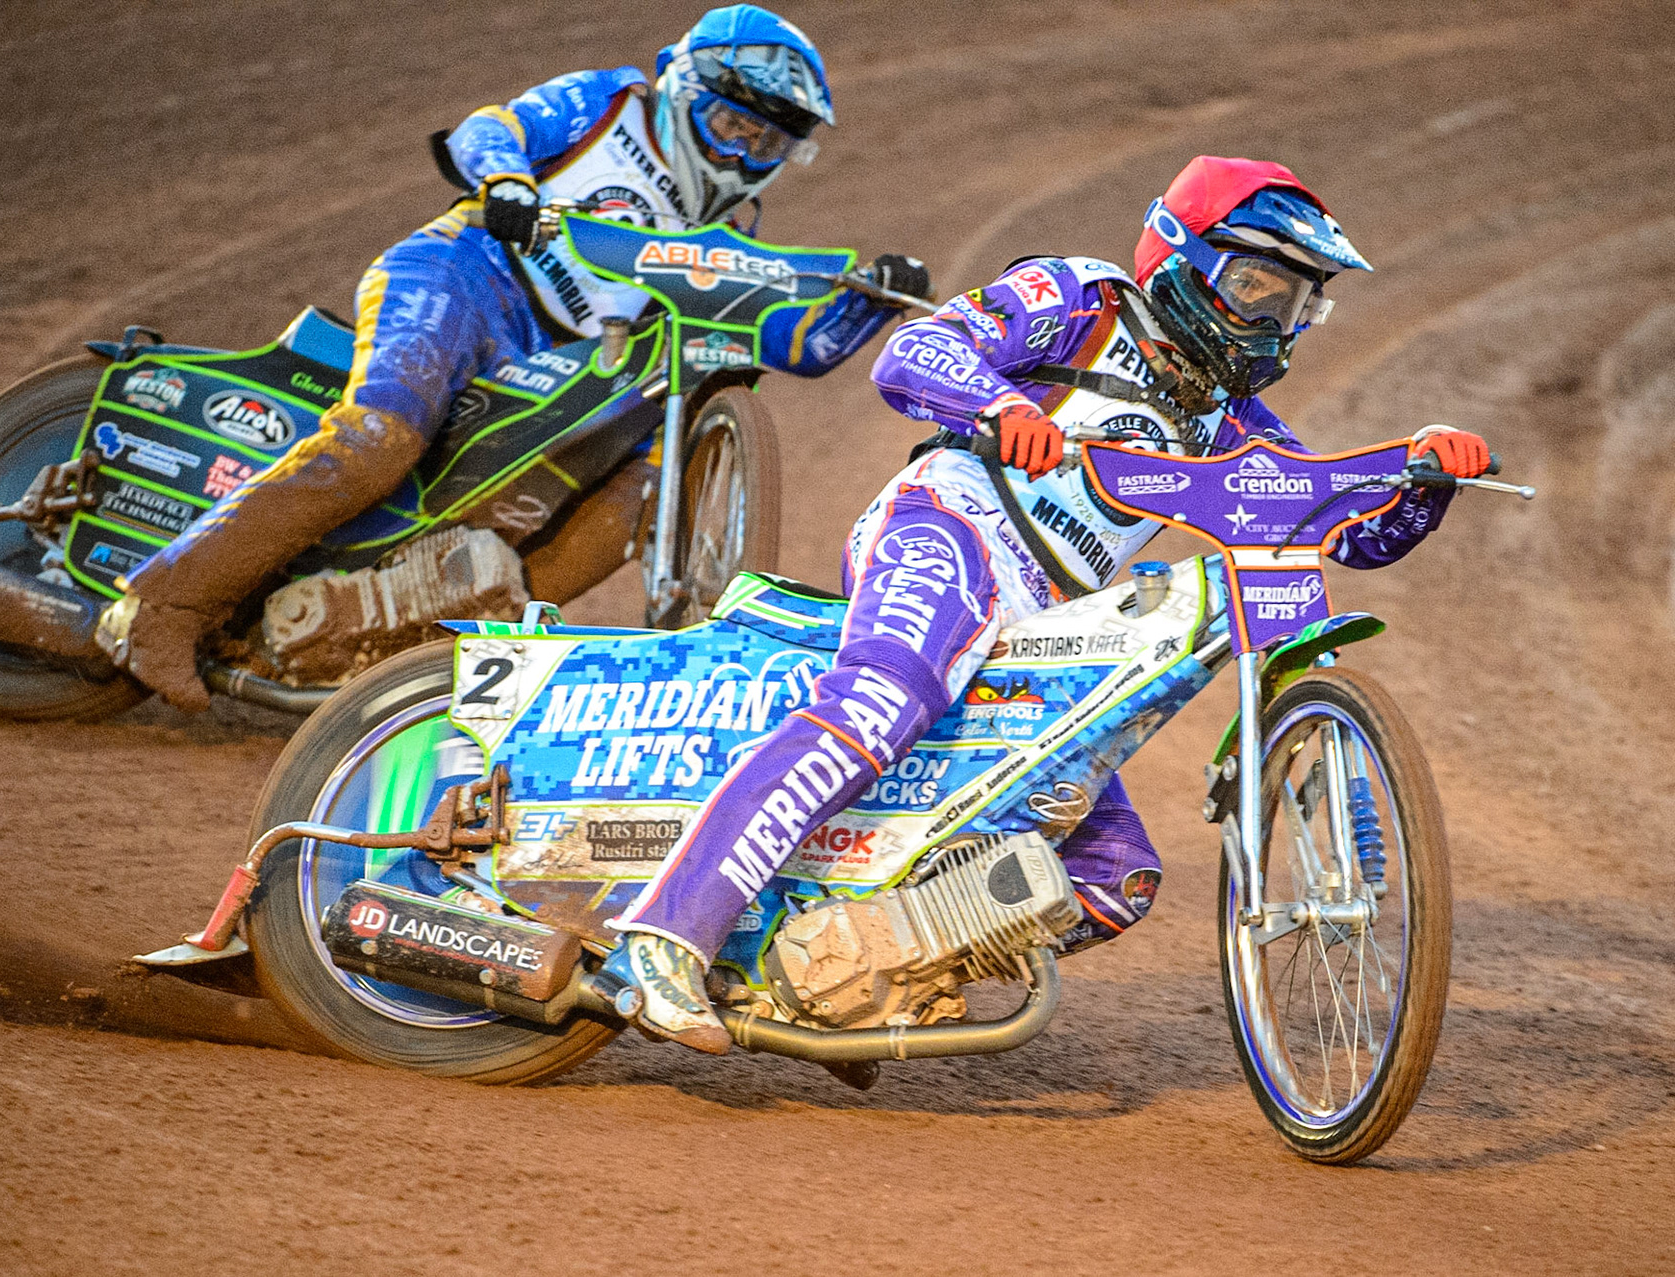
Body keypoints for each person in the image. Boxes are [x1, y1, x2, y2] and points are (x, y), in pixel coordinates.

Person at [602, 155, 1493, 1054]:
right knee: (880, 699)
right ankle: (663, 939)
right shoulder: (1083, 300)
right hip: (950, 526)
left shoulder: (1231, 421)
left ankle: (849, 971)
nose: (1275, 322)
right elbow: (916, 350)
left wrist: (1425, 480)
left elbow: (1349, 533)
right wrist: (996, 405)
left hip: (1051, 626)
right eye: (1258, 286)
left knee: (1114, 878)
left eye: (1299, 304)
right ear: (1186, 259)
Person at [95, 5, 929, 712]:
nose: (744, 155)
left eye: (769, 145)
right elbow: (490, 130)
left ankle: (392, 663)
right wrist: (507, 183)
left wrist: (873, 300)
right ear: (684, 92)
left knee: (624, 512)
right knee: (381, 437)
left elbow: (794, 343)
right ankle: (161, 603)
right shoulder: (612, 104)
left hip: (558, 361)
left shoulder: (730, 234)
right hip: (463, 278)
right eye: (732, 125)